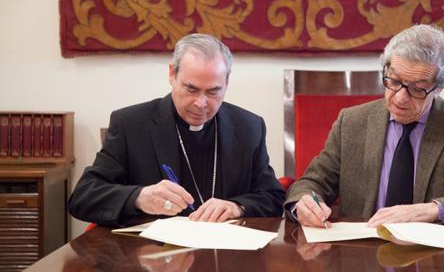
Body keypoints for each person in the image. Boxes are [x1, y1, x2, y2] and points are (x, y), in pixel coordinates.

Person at [285, 24, 444, 228]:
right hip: (361, 254)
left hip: (439, 260)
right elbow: (310, 183)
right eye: (393, 81)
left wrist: (435, 210)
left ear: (440, 87)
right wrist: (305, 202)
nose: (400, 97)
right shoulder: (352, 122)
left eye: (417, 89)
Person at [69, 33, 285, 226]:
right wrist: (139, 197)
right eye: (191, 89)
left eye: (212, 92)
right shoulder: (130, 124)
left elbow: (273, 198)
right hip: (151, 257)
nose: (201, 103)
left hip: (225, 256)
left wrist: (237, 207)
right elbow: (83, 197)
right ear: (172, 74)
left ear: (226, 83)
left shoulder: (249, 127)